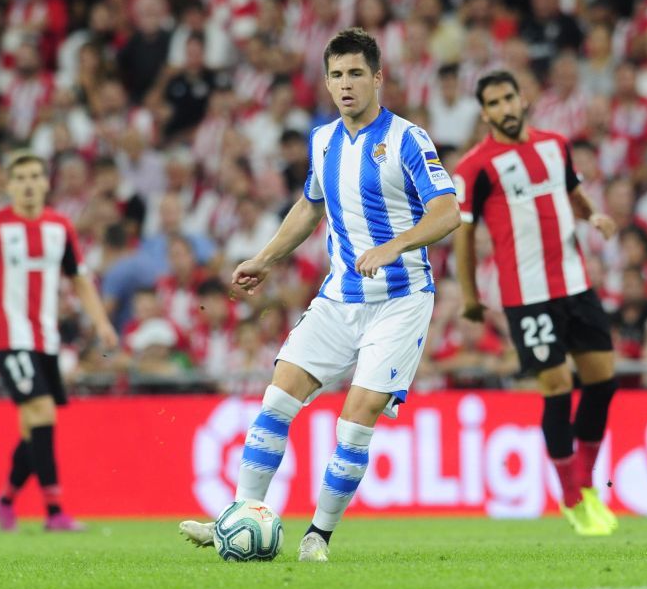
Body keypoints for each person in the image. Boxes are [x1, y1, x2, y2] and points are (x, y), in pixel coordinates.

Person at [178, 28, 460, 561]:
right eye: (337, 75)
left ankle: (317, 537)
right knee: (277, 397)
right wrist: (265, 258)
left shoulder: (407, 139)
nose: (346, 84)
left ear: (378, 78)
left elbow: (447, 211)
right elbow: (310, 206)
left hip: (400, 301)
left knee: (356, 417)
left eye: (356, 73)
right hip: (339, 299)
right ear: (327, 82)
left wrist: (394, 246)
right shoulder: (323, 140)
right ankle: (239, 517)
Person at [452, 70, 619, 536]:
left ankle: (585, 485)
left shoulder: (555, 144)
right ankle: (572, 498)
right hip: (527, 297)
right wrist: (469, 296)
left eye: (509, 98)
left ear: (522, 99)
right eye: (494, 103)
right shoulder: (475, 167)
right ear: (484, 113)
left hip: (576, 283)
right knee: (557, 386)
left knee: (603, 383)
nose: (505, 108)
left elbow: (571, 191)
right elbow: (464, 234)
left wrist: (594, 215)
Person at [0, 151, 119, 532]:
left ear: (46, 183)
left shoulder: (60, 227)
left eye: (36, 176)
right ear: (9, 185)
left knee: (34, 424)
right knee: (42, 412)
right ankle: (55, 512)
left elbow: (79, 277)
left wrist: (102, 323)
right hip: (7, 339)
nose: (30, 184)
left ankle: (5, 500)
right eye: (22, 178)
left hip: (45, 340)